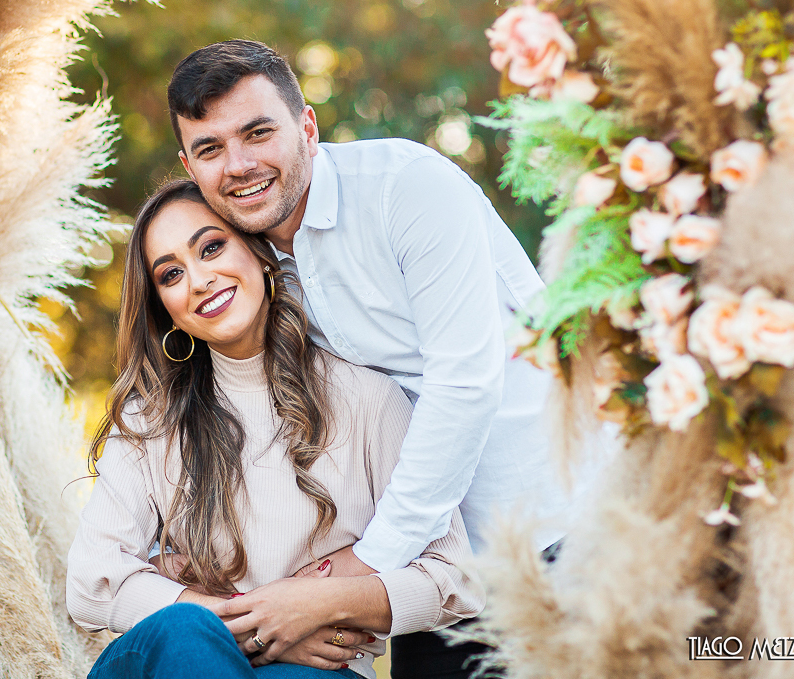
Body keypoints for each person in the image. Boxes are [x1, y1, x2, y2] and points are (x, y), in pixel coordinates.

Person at [166, 40, 571, 678]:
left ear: (307, 127)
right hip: (439, 575)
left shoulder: (407, 189)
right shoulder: (237, 265)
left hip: (556, 526)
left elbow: (464, 386)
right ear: (190, 164)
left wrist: (361, 572)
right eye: (212, 149)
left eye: (258, 133)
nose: (238, 166)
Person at [66, 179, 485, 679]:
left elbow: (453, 578)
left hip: (318, 671)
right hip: (175, 659)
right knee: (183, 631)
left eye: (212, 246)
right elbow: (92, 580)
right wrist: (254, 628)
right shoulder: (150, 421)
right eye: (172, 273)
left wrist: (316, 607)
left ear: (261, 254)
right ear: (165, 309)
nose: (199, 279)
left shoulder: (369, 399)